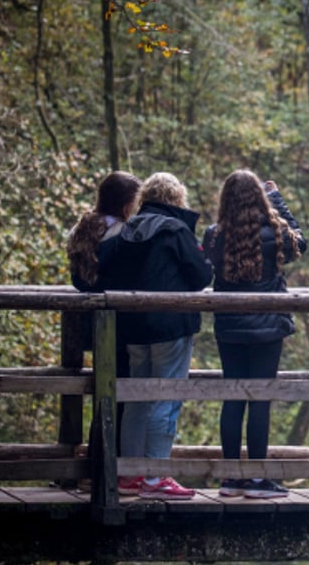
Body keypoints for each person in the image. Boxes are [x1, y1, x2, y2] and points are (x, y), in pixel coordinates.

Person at [100, 171, 212, 500]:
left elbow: (108, 270)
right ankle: (155, 477)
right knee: (166, 397)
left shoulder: (125, 230)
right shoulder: (176, 230)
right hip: (170, 327)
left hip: (134, 327)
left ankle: (130, 475)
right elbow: (201, 275)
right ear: (177, 198)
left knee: (137, 399)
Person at [202, 171, 306, 499]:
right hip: (267, 327)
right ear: (260, 197)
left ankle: (231, 479)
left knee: (233, 398)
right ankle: (259, 481)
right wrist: (277, 200)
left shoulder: (215, 235)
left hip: (230, 328)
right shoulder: (275, 232)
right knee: (259, 400)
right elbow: (302, 242)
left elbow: (207, 264)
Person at [67, 171, 141, 453]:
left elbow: (80, 279)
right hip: (119, 323)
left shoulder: (83, 228)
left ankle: (99, 459)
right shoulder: (122, 234)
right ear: (126, 204)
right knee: (118, 393)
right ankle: (111, 462)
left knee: (103, 392)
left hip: (89, 320)